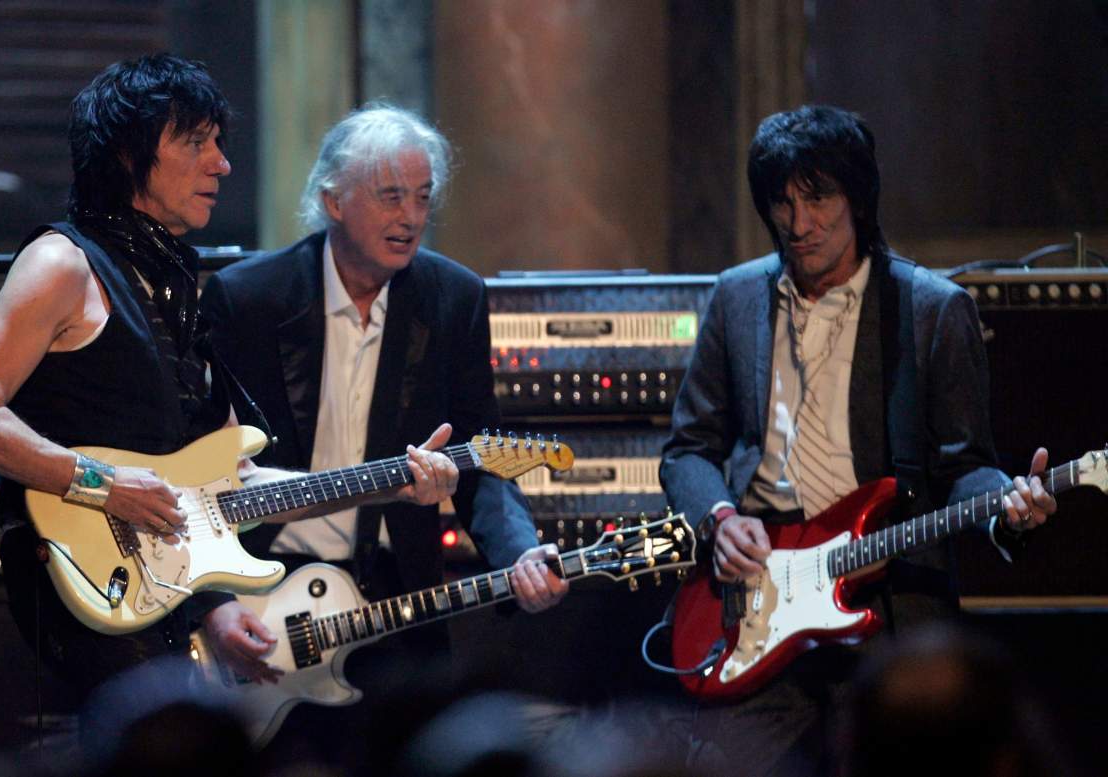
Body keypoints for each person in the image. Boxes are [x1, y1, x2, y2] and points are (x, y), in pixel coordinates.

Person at [0, 56, 459, 712]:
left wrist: (389, 481)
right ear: (130, 154)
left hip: (160, 591)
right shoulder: (61, 263)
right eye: (196, 143)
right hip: (79, 576)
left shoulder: (171, 285)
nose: (222, 164)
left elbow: (228, 486)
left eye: (221, 143)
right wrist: (100, 482)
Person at [659, 104, 1057, 775]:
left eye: (818, 199)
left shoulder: (931, 309)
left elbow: (967, 466)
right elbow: (688, 448)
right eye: (782, 203)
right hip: (759, 597)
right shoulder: (735, 298)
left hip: (891, 604)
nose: (799, 223)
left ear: (859, 198)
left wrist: (1008, 510)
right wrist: (720, 519)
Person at [199, 103, 568, 770]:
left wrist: (520, 553)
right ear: (332, 200)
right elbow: (201, 473)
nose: (412, 216)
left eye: (423, 197)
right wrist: (214, 607)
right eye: (392, 195)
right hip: (266, 599)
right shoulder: (246, 298)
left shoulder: (453, 297)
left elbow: (482, 455)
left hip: (398, 604)